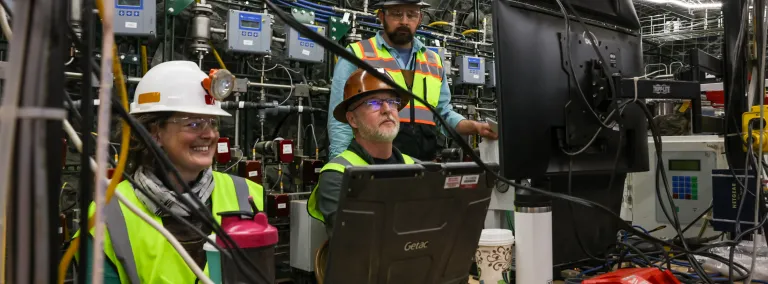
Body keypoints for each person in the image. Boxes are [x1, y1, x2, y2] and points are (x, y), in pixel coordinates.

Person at [75, 61, 265, 283]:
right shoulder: (108, 216)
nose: (210, 134)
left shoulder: (247, 195)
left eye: (212, 123)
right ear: (154, 132)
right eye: (194, 124)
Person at [328, 0, 498, 161]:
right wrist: (341, 165)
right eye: (396, 14)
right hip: (372, 163)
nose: (404, 21)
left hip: (423, 165)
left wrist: (475, 127)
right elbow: (339, 120)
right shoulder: (357, 55)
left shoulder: (433, 60)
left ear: (420, 18)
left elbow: (443, 114)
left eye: (411, 14)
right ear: (381, 16)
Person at [308, 68, 417, 235]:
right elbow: (355, 244)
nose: (387, 109)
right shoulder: (337, 176)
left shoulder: (416, 168)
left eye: (392, 102)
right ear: (353, 120)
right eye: (374, 102)